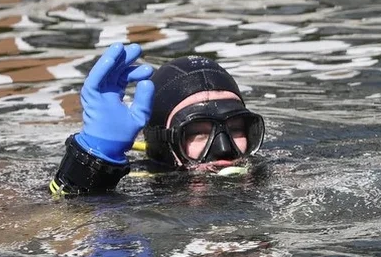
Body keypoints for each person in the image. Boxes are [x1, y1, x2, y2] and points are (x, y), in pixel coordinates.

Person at [49, 42, 265, 196]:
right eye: (198, 132)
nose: (224, 149)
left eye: (237, 129)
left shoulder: (272, 175)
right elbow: (50, 221)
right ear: (164, 143)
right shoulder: (136, 191)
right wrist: (92, 162)